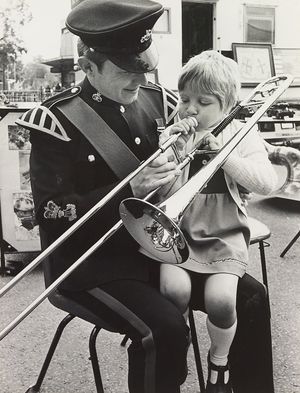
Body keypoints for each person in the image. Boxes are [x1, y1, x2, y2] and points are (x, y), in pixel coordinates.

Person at [16, 1, 275, 392]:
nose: (139, 82)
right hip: (93, 264)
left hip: (162, 247)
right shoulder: (56, 121)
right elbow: (51, 213)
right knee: (166, 329)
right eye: (126, 72)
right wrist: (128, 191)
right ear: (89, 67)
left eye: (144, 69)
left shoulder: (160, 100)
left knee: (251, 298)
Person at [156, 50, 278, 393]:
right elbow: (165, 194)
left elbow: (266, 182)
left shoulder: (241, 133)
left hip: (224, 233)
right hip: (178, 230)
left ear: (226, 105)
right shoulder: (174, 132)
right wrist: (173, 153)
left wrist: (223, 156)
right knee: (172, 290)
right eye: (185, 99)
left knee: (223, 301)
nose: (190, 108)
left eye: (203, 102)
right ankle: (177, 348)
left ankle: (219, 362)